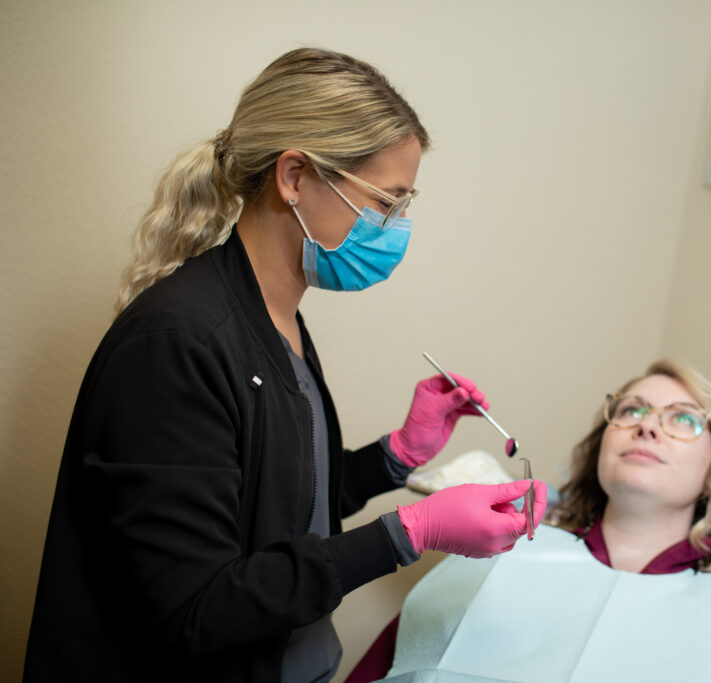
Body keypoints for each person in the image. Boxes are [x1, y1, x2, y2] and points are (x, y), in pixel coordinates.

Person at [24, 48, 546, 683]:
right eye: (386, 203)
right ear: (294, 176)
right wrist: (409, 532)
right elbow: (196, 610)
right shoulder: (176, 343)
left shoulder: (279, 321)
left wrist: (397, 454)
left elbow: (280, 510)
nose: (397, 228)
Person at [354, 360, 711, 682]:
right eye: (631, 410)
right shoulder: (491, 562)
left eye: (683, 419)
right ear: (602, 447)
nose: (647, 425)